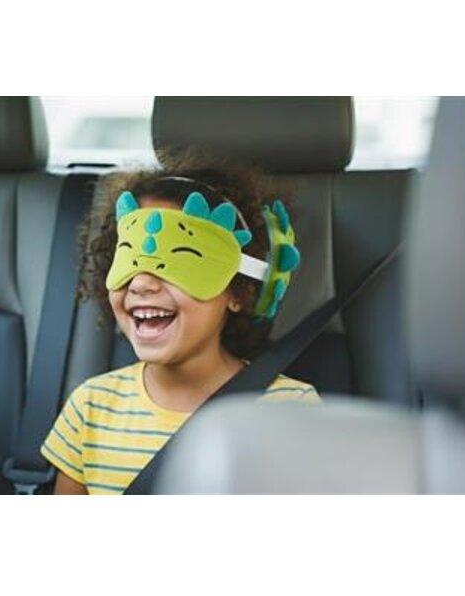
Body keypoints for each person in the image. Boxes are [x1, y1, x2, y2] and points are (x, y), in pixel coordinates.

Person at [41, 150, 320, 495]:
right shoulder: (90, 407)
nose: (141, 283)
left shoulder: (291, 410)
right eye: (129, 259)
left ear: (239, 291)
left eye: (181, 257)